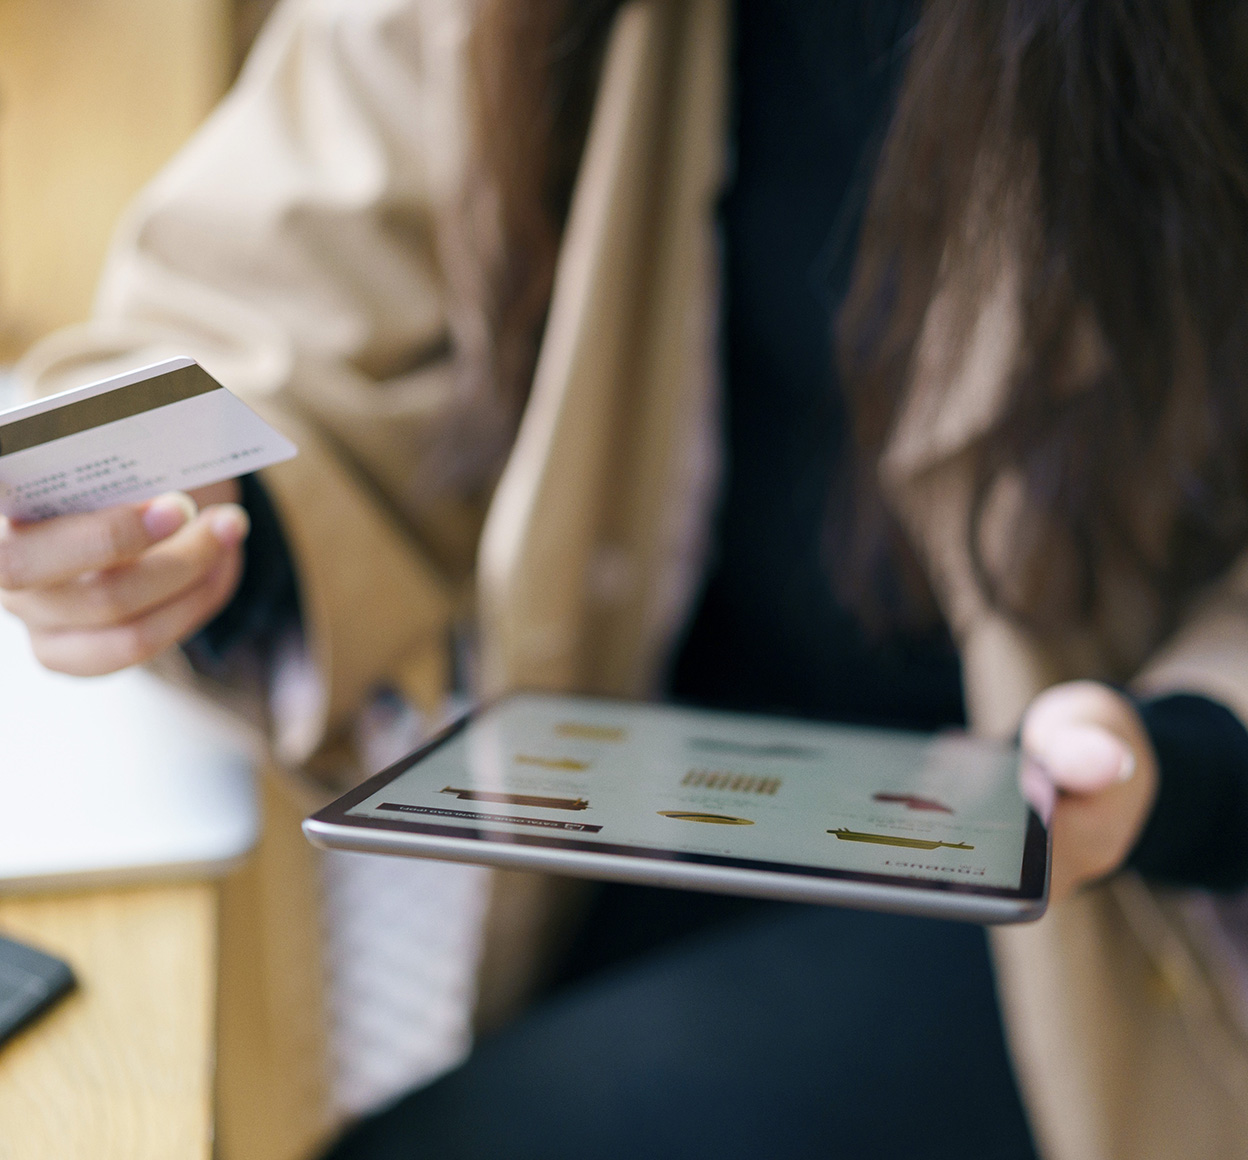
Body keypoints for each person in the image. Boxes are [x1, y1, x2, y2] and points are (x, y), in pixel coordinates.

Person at [3, 0, 1248, 1155]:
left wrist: (1186, 755)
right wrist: (198, 517)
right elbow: (285, 283)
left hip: (1120, 887)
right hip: (665, 784)